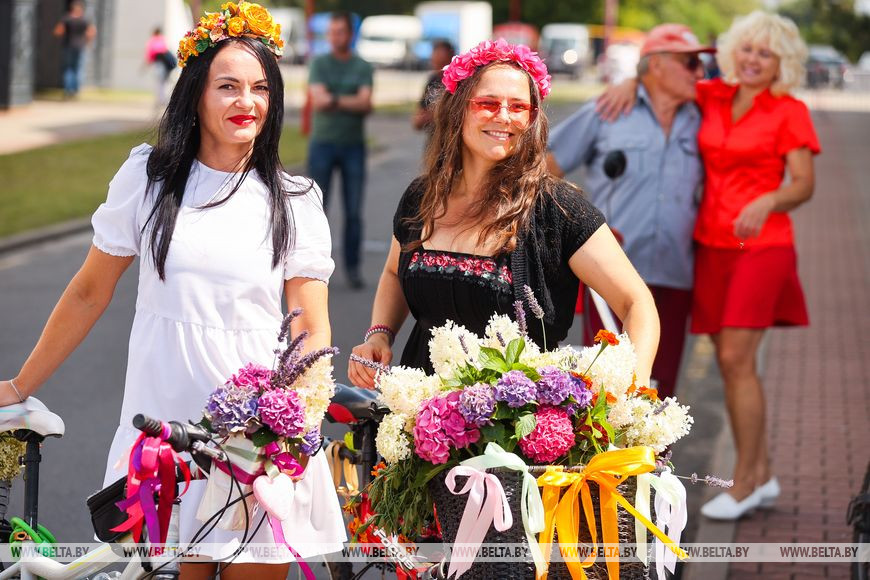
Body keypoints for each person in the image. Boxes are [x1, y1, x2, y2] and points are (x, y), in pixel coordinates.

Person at [3, 3, 345, 577]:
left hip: (254, 444)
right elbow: (89, 292)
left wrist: (290, 428)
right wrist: (19, 385)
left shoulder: (295, 201)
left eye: (260, 88)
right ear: (196, 94)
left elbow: (311, 328)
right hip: (160, 437)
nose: (247, 102)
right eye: (228, 86)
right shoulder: (147, 178)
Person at [599, 11, 820, 520]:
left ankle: (744, 483)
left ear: (781, 63)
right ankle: (760, 473)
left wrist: (768, 201)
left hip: (762, 247)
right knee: (730, 361)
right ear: (733, 51)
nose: (752, 60)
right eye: (747, 49)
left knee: (735, 363)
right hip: (711, 247)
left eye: (765, 54)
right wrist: (634, 76)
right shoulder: (715, 95)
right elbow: (665, 79)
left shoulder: (789, 110)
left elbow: (804, 184)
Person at [347, 39, 660, 391]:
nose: (504, 117)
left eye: (518, 107)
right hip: (419, 419)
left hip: (516, 427)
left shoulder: (558, 211)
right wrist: (379, 335)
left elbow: (637, 303)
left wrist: (634, 387)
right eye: (488, 103)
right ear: (458, 109)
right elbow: (394, 270)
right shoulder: (422, 197)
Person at [546, 23, 714, 399]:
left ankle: (651, 459)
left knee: (660, 389)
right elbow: (546, 167)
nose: (701, 73)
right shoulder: (608, 108)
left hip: (674, 272)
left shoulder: (706, 113)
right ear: (655, 65)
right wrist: (567, 230)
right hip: (611, 275)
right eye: (690, 63)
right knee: (603, 385)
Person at [307, 11, 373, 290]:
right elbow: (318, 101)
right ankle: (311, 269)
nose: (335, 37)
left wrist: (333, 98)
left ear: (350, 34)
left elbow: (365, 104)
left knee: (353, 212)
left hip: (353, 146)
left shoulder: (363, 66)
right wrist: (347, 99)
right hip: (322, 143)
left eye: (340, 32)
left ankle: (353, 268)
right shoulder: (319, 63)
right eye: (331, 32)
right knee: (314, 210)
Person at [53, 0, 96, 98]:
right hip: (80, 46)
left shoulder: (66, 19)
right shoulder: (84, 19)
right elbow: (92, 32)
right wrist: (88, 42)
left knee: (68, 68)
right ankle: (76, 90)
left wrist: (62, 37)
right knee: (78, 68)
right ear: (81, 9)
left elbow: (58, 31)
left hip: (68, 46)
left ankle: (68, 90)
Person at [412, 39, 455, 134]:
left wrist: (434, 115)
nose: (439, 68)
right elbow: (418, 120)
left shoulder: (459, 81)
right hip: (434, 140)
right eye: (435, 62)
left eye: (442, 63)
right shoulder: (432, 80)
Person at [144, 27, 175, 107]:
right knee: (164, 82)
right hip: (166, 65)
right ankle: (164, 99)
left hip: (158, 64)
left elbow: (150, 53)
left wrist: (147, 64)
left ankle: (161, 100)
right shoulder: (162, 40)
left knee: (159, 82)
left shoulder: (152, 41)